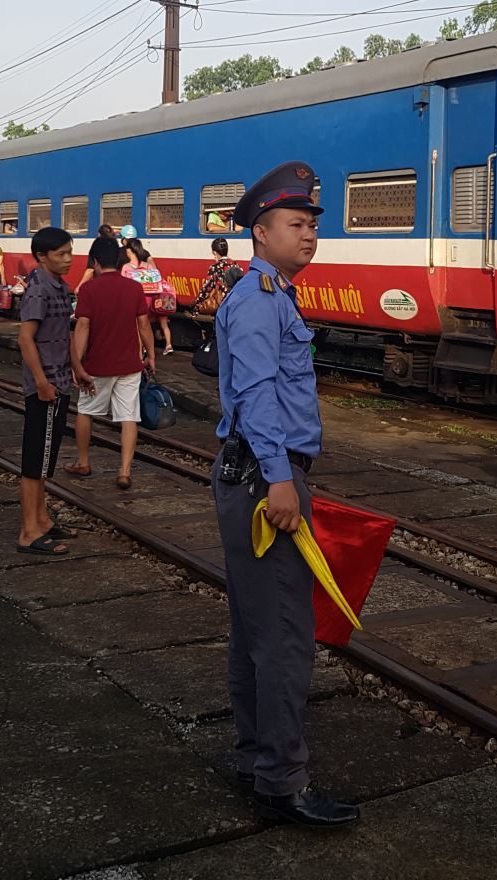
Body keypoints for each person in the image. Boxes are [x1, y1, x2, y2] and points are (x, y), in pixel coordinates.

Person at [212, 160, 357, 828]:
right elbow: (256, 393)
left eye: (311, 226)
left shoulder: (271, 295)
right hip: (264, 477)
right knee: (286, 638)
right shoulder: (258, 300)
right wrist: (278, 477)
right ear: (262, 232)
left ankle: (254, 760)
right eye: (296, 224)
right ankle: (282, 781)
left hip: (256, 472)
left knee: (255, 633)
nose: (309, 236)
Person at [65, 236, 154, 490]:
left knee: (85, 411)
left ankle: (83, 462)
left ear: (94, 262)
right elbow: (144, 324)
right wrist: (151, 353)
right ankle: (124, 471)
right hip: (129, 364)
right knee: (129, 417)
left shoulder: (89, 290)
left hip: (97, 364)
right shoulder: (133, 288)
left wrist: (77, 364)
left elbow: (82, 326)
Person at [15, 227, 76, 555]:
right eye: (61, 254)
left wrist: (76, 370)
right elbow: (25, 339)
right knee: (35, 459)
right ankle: (29, 531)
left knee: (45, 459)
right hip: (46, 385)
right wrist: (41, 381)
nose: (68, 259)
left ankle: (42, 520)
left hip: (58, 381)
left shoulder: (58, 286)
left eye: (70, 251)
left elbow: (63, 334)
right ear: (42, 257)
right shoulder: (39, 290)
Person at [123, 238, 173, 355]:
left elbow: (123, 286)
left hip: (134, 300)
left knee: (137, 327)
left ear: (130, 251)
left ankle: (140, 353)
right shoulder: (148, 266)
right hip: (149, 299)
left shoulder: (126, 268)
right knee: (146, 326)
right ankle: (149, 352)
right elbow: (157, 281)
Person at [193, 237, 241, 313]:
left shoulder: (214, 267)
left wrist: (197, 303)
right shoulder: (235, 265)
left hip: (222, 305)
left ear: (215, 252)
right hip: (236, 304)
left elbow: (207, 288)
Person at [75, 224, 117, 291]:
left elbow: (90, 270)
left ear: (99, 234)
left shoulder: (97, 247)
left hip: (100, 286)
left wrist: (79, 287)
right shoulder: (115, 246)